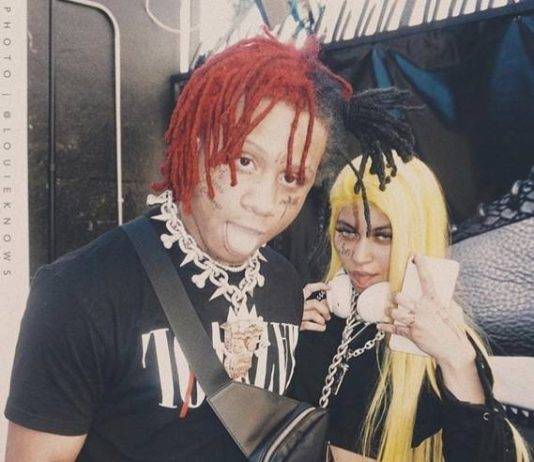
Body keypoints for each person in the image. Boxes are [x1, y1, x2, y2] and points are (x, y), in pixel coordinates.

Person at [4, 34, 356, 461]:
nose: (264, 203)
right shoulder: (80, 291)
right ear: (195, 142)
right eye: (244, 161)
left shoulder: (283, 282)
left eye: (291, 178)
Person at [289, 154, 531, 462]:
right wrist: (277, 337)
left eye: (383, 236)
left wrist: (457, 363)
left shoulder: (442, 350)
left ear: (415, 238)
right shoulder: (313, 318)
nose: (359, 256)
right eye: (347, 231)